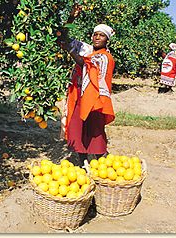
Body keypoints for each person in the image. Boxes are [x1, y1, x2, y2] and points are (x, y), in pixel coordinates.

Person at [57, 4, 115, 166]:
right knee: (79, 130)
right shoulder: (88, 50)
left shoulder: (104, 57)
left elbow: (86, 65)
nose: (97, 37)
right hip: (80, 97)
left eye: (101, 36)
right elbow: (62, 38)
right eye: (95, 34)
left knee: (95, 133)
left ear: (107, 40)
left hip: (95, 101)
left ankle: (102, 166)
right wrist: (72, 17)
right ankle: (83, 164)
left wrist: (71, 52)